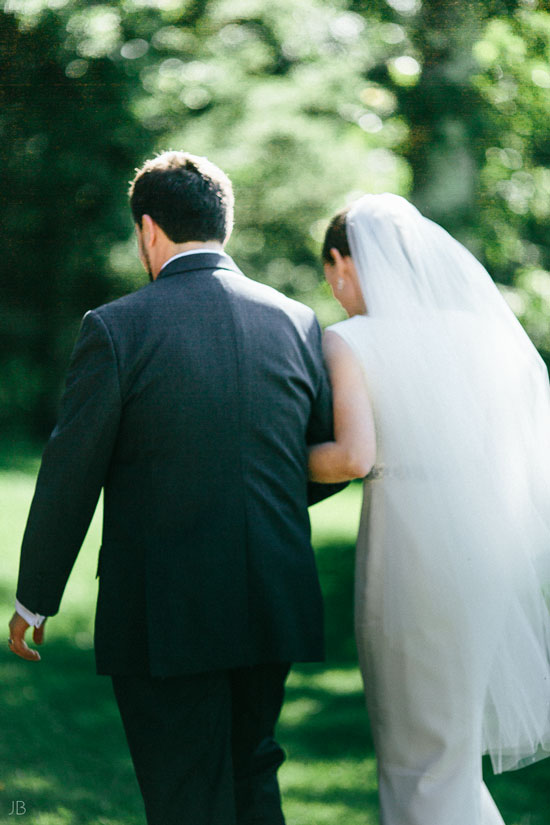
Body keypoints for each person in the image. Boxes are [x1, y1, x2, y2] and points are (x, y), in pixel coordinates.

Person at [8, 151, 343, 825]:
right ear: (225, 223)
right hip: (272, 596)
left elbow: (70, 474)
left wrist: (33, 599)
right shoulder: (297, 320)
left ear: (149, 230)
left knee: (184, 796)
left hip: (165, 609)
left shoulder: (117, 327)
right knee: (253, 778)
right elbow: (314, 455)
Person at [309, 193, 550, 825]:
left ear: (343, 262)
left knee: (414, 750)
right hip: (486, 551)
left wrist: (264, 459)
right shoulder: (480, 334)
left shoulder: (350, 340)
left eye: (332, 273)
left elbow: (353, 457)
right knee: (452, 746)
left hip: (408, 554)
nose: (335, 290)